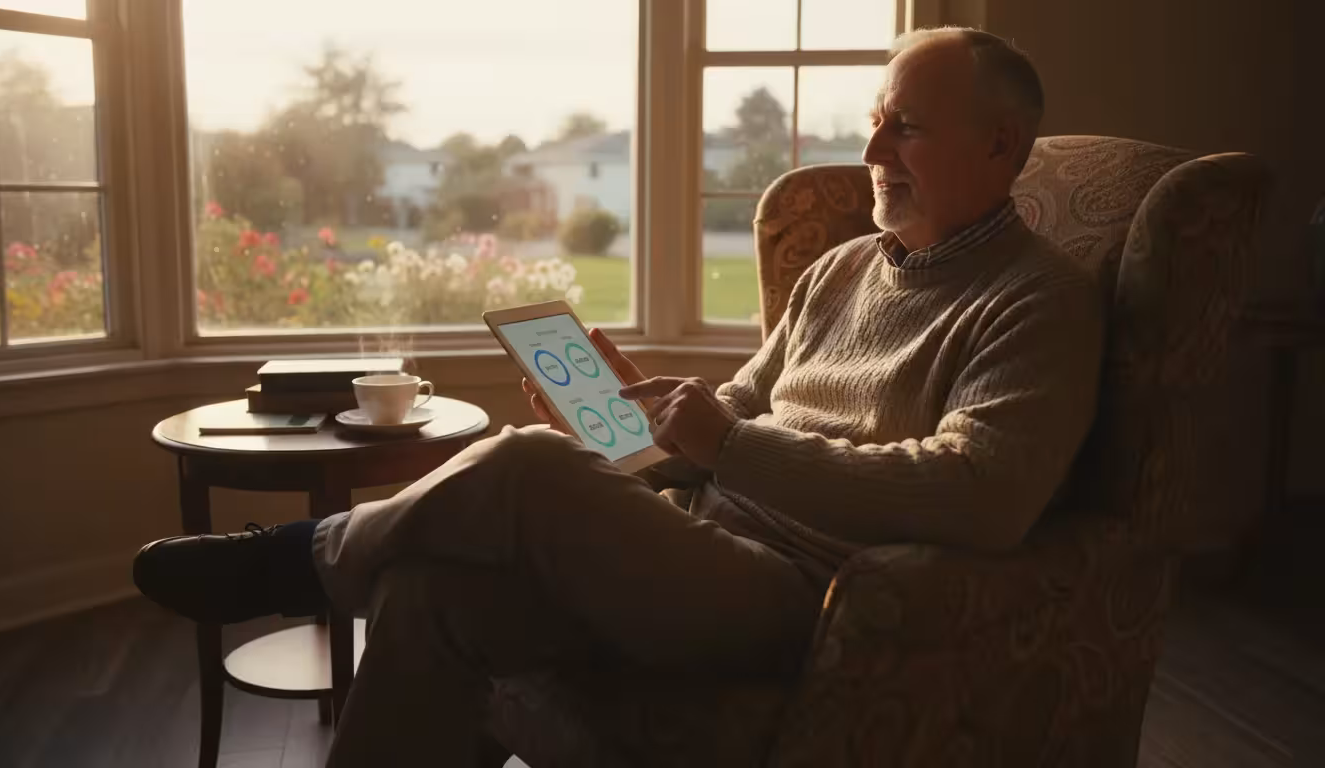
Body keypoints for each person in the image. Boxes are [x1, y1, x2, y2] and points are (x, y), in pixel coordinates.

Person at [134, 27, 1104, 767]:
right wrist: (626, 426)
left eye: (910, 126)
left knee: (524, 464)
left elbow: (982, 492)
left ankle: (296, 563)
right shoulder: (844, 269)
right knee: (431, 595)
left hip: (811, 593)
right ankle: (328, 566)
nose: (873, 149)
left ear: (1000, 147)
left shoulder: (1039, 302)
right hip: (697, 544)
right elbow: (739, 409)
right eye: (874, 120)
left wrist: (725, 448)